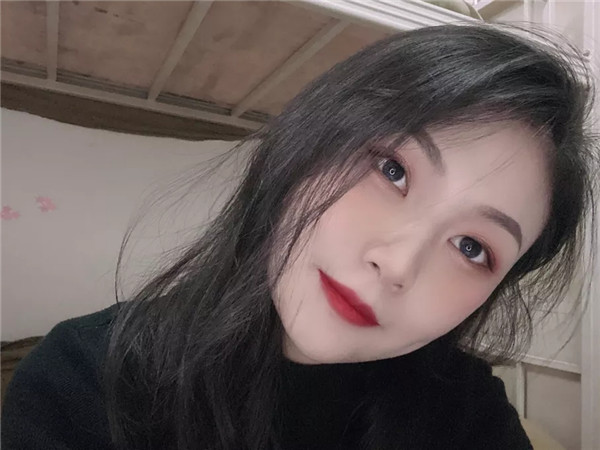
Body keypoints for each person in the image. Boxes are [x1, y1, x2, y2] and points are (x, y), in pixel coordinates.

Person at [2, 24, 597, 450]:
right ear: (308, 146)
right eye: (392, 170)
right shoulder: (83, 378)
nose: (397, 263)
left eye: (473, 248)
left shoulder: (468, 419)